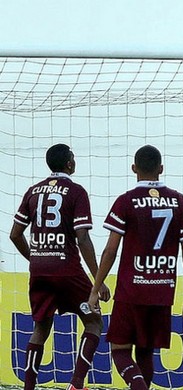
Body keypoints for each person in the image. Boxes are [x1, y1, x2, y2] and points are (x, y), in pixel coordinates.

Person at [86, 145, 183, 390]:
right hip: (162, 291)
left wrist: (95, 288)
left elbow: (110, 251)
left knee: (120, 350)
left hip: (131, 290)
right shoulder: (178, 200)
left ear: (134, 168)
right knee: (146, 353)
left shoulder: (126, 201)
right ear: (161, 169)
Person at [9, 143, 110, 390]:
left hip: (40, 271)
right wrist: (98, 279)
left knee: (40, 328)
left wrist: (35, 258)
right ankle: (76, 383)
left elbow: (15, 234)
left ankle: (28, 387)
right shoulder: (76, 192)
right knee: (94, 320)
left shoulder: (32, 191)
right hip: (68, 270)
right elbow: (83, 238)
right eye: (73, 157)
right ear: (69, 164)